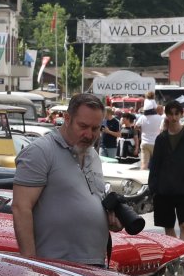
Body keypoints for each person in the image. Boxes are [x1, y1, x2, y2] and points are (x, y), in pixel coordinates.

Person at [13, 92, 121, 266]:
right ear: (67, 118)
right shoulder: (41, 151)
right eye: (83, 126)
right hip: (57, 267)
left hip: (94, 264)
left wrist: (109, 220)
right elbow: (21, 208)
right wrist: (32, 265)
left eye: (95, 129)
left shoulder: (92, 155)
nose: (89, 135)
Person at [147, 101, 184, 250]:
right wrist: (153, 187)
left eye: (177, 113)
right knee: (168, 226)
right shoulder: (161, 138)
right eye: (171, 114)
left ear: (181, 114)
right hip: (164, 189)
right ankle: (176, 257)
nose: (174, 117)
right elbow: (155, 164)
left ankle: (183, 259)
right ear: (167, 115)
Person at [138, 103, 165, 169]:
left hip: (145, 142)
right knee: (156, 163)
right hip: (156, 143)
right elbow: (163, 130)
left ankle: (143, 174)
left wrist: (142, 130)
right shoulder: (160, 118)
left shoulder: (143, 117)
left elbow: (136, 126)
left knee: (144, 164)